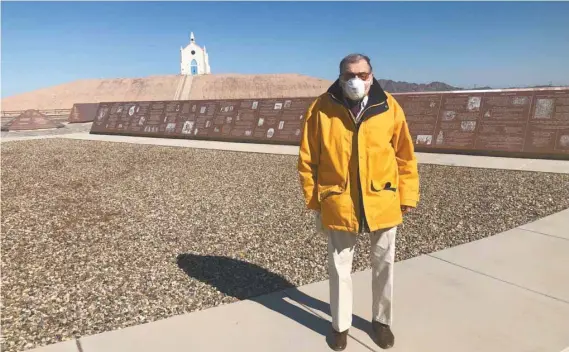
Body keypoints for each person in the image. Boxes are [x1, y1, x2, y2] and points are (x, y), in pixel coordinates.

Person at [297, 54, 420, 351]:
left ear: (372, 75)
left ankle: (381, 321)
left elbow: (404, 153)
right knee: (339, 266)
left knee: (384, 263)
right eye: (350, 74)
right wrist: (315, 201)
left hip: (383, 198)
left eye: (362, 74)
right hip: (338, 200)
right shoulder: (321, 108)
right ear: (340, 77)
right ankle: (340, 325)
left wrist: (407, 195)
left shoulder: (388, 106)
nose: (356, 80)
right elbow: (307, 158)